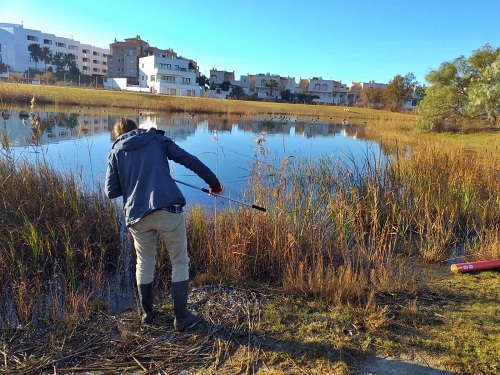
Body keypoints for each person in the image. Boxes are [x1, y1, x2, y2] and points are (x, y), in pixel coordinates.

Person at [105, 118, 222, 331]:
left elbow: (111, 191)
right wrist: (213, 183)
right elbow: (189, 159)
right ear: (137, 128)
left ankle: (147, 314)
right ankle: (181, 317)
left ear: (117, 135)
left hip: (137, 216)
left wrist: (133, 181)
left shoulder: (115, 152)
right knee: (179, 261)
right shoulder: (156, 139)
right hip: (167, 208)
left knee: (144, 262)